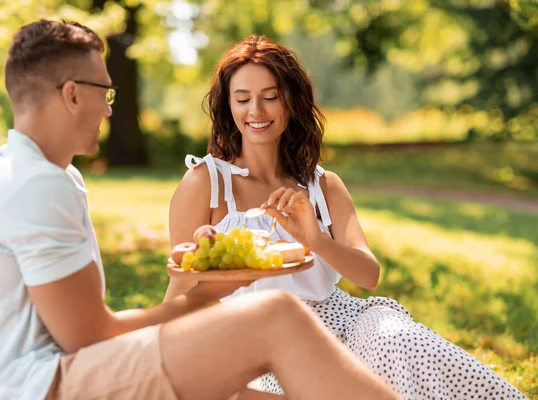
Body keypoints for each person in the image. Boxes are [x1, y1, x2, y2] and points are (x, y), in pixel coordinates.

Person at [0, 20, 400, 400]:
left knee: (273, 340)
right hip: (42, 386)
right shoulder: (33, 187)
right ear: (71, 94)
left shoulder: (47, 176)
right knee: (276, 317)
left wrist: (216, 281)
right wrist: (208, 293)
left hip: (38, 375)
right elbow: (89, 337)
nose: (108, 110)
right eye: (106, 91)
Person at [165, 35, 529, 400]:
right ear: (228, 106)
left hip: (350, 321)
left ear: (291, 102)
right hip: (271, 345)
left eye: (270, 97)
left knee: (400, 340)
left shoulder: (324, 185)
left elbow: (368, 275)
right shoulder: (205, 183)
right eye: (242, 99)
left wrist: (316, 240)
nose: (255, 111)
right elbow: (178, 290)